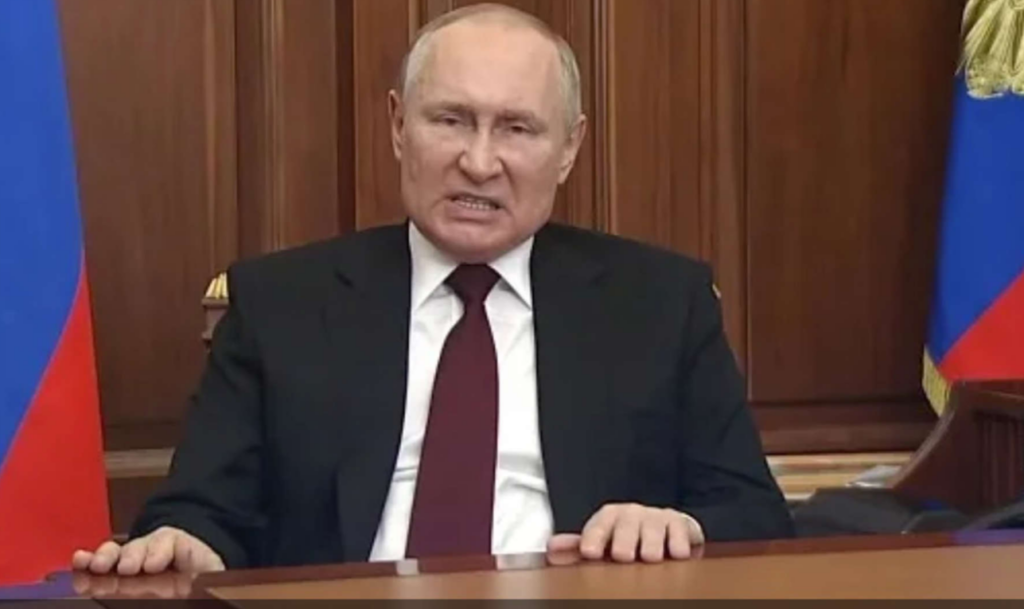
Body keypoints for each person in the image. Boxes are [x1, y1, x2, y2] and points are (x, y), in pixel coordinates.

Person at [73, 3, 793, 576]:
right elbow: (200, 511)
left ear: (569, 147)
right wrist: (186, 544)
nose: (479, 161)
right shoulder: (279, 302)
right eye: (450, 120)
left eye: (517, 128)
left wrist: (676, 525)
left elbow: (755, 516)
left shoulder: (660, 301)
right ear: (398, 125)